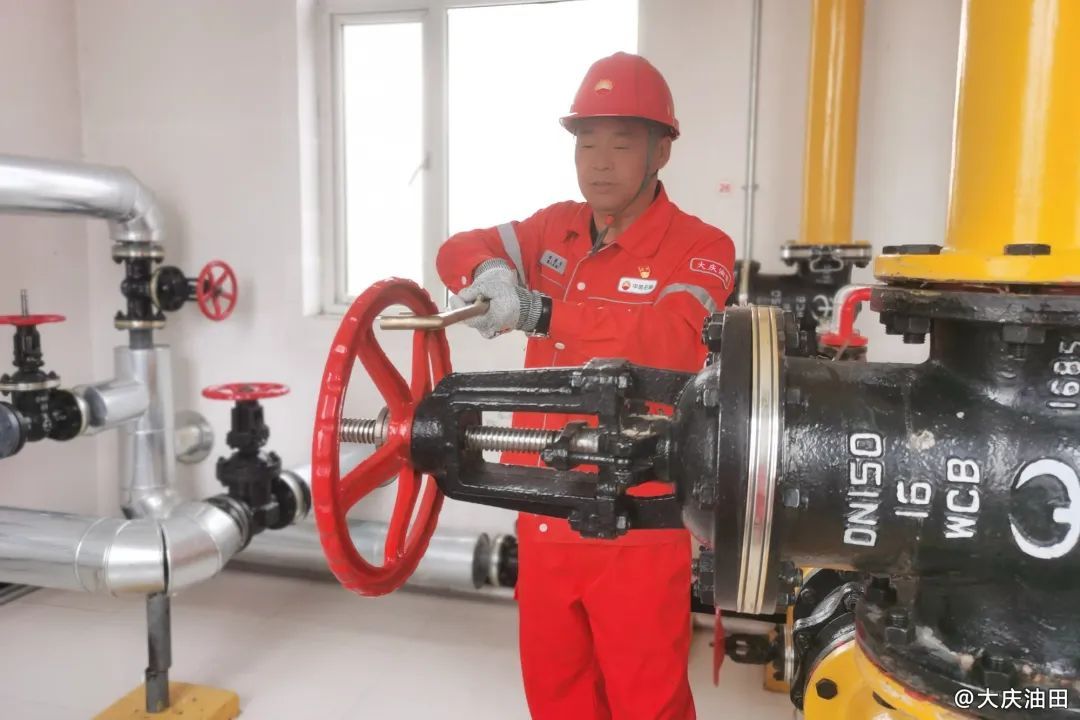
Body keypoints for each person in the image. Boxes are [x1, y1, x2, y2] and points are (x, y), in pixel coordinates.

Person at [436, 52, 735, 720]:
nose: (599, 163)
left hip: (639, 519)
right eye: (586, 143)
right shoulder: (554, 228)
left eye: (622, 144)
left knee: (646, 702)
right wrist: (489, 272)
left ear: (661, 151)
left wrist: (544, 313)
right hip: (543, 505)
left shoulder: (701, 246)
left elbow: (670, 337)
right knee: (556, 694)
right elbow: (457, 246)